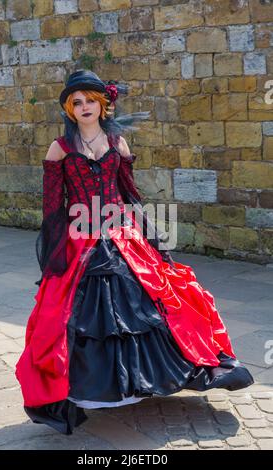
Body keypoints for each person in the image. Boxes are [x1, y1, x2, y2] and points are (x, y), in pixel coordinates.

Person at [15, 69, 254, 435]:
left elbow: (130, 194)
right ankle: (91, 390)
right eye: (76, 102)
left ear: (102, 105)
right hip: (82, 236)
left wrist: (151, 238)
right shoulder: (59, 148)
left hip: (122, 233)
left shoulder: (118, 143)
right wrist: (56, 249)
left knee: (149, 305)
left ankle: (144, 379)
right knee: (77, 314)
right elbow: (52, 206)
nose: (84, 107)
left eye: (90, 101)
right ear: (69, 109)